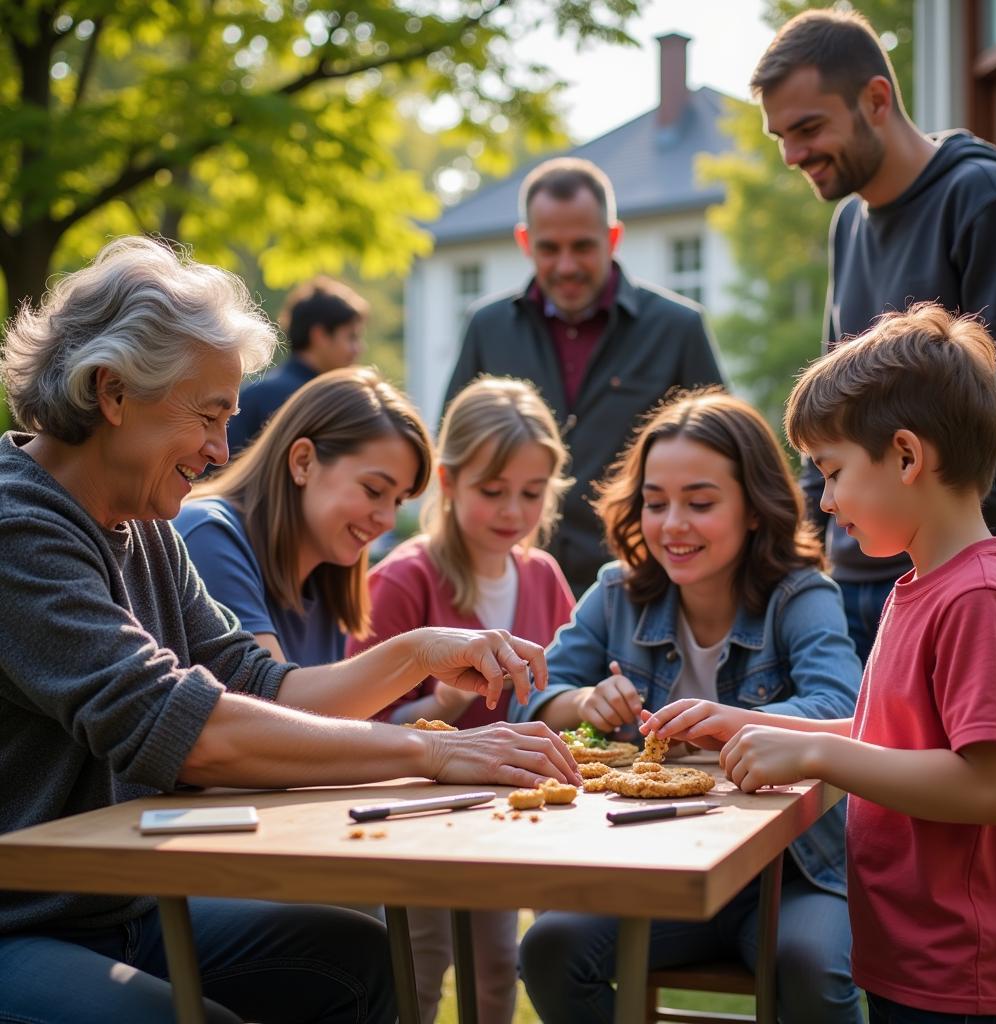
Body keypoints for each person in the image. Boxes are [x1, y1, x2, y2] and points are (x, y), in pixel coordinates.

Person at [0, 236, 581, 1024]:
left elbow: (262, 687)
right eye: (208, 416)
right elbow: (186, 730)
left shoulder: (147, 529)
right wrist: (434, 749)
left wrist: (417, 651)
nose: (219, 449)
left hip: (116, 907)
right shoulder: (19, 531)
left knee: (356, 959)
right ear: (112, 392)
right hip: (21, 923)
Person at [645, 305, 996, 1023]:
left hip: (958, 974)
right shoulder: (921, 586)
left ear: (908, 457)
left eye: (833, 471)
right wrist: (751, 725)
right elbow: (900, 739)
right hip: (907, 954)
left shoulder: (979, 598)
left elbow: (987, 786)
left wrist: (816, 751)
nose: (823, 500)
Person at [513, 389, 863, 1024]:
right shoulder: (617, 593)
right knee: (551, 947)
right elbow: (535, 698)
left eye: (700, 503)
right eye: (655, 502)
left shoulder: (800, 595)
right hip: (654, 870)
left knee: (813, 969)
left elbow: (840, 704)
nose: (672, 524)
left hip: (790, 876)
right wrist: (585, 701)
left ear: (754, 509)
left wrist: (735, 722)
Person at [750, 7, 996, 663]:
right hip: (858, 582)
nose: (793, 155)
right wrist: (815, 550)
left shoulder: (982, 198)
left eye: (809, 128)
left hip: (957, 583)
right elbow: (828, 416)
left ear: (876, 98)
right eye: (781, 137)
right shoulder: (848, 224)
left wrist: (937, 559)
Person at [348, 375, 576, 1024]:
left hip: (509, 812)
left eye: (532, 494)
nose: (512, 511)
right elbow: (349, 722)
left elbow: (551, 690)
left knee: (497, 966)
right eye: (492, 491)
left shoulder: (543, 576)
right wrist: (444, 705)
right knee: (419, 965)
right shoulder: (404, 579)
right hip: (422, 816)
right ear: (448, 484)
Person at [443, 157, 726, 597]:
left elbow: (723, 459)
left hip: (643, 585)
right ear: (525, 242)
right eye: (549, 248)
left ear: (613, 238)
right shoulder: (487, 326)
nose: (567, 265)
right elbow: (452, 447)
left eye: (583, 246)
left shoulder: (678, 328)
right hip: (508, 583)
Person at [176, 366, 431, 665]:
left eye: (399, 501)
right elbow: (271, 703)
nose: (388, 520)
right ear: (303, 461)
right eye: (374, 490)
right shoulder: (208, 533)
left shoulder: (329, 581)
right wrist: (419, 654)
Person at [228, 275, 368, 457]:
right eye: (351, 337)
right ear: (319, 335)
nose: (359, 348)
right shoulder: (325, 400)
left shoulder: (254, 394)